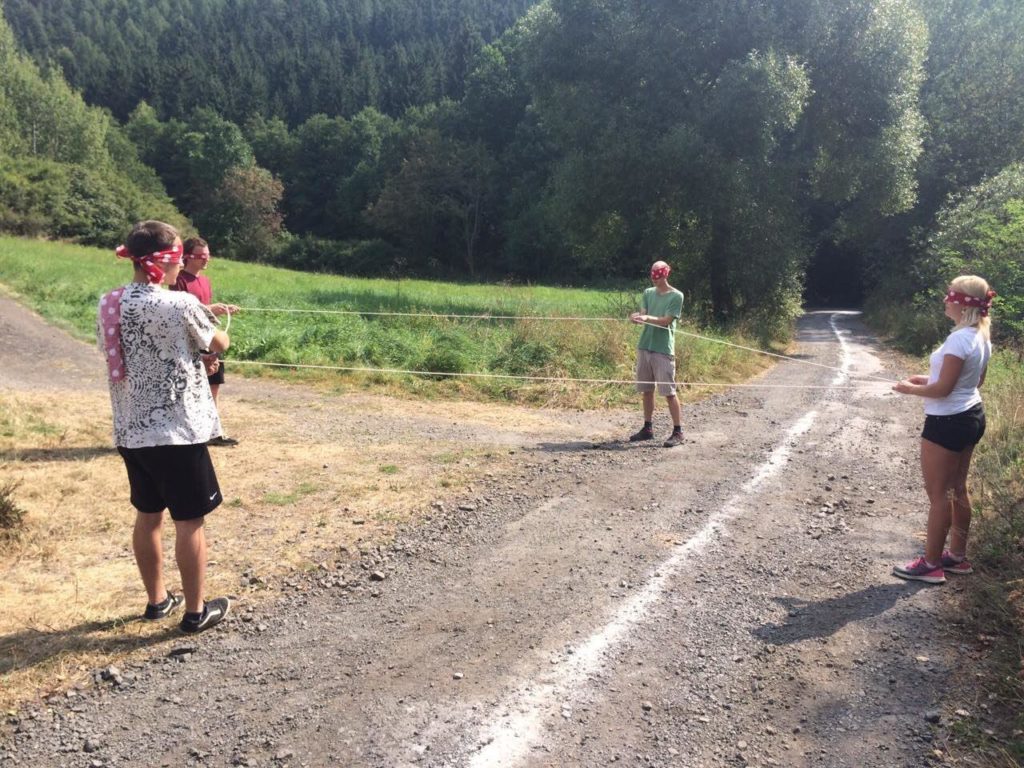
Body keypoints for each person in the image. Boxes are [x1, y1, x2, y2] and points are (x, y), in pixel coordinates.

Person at [98, 220, 231, 632]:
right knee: (189, 521)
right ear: (164, 261)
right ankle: (196, 611)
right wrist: (214, 337)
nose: (180, 265)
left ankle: (157, 601)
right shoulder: (180, 304)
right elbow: (217, 343)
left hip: (131, 429)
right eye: (177, 257)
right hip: (178, 431)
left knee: (148, 514)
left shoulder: (110, 303)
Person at [891, 275, 996, 585]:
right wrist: (925, 379)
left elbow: (944, 390)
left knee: (939, 495)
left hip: (947, 422)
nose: (945, 300)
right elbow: (972, 381)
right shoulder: (980, 336)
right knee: (957, 489)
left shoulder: (958, 339)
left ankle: (931, 564)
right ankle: (957, 557)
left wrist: (910, 390)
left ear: (963, 304)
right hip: (971, 416)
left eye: (950, 295)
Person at [172, 237, 240, 447]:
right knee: (191, 388)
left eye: (208, 255)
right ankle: (190, 432)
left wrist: (221, 310)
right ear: (188, 257)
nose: (206, 260)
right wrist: (211, 309)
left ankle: (214, 432)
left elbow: (203, 312)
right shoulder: (178, 280)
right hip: (190, 342)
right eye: (201, 256)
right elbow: (181, 313)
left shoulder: (205, 281)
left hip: (208, 339)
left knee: (214, 384)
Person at [628, 260, 685, 448]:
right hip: (645, 346)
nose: (655, 279)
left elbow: (666, 321)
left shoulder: (676, 296)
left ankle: (678, 431)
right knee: (646, 391)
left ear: (666, 274)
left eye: (658, 275)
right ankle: (647, 428)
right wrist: (637, 317)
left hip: (663, 349)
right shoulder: (648, 293)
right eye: (653, 275)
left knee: (669, 392)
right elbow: (644, 314)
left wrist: (647, 317)